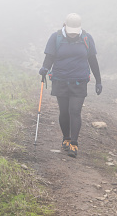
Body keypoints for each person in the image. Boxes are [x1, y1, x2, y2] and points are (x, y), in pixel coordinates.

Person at [39, 13, 102, 158]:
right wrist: (44, 68)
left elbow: (93, 60)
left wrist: (98, 81)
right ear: (65, 26)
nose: (73, 35)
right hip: (60, 80)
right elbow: (50, 57)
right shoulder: (56, 38)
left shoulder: (86, 38)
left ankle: (74, 143)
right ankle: (65, 138)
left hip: (79, 81)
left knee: (75, 111)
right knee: (64, 112)